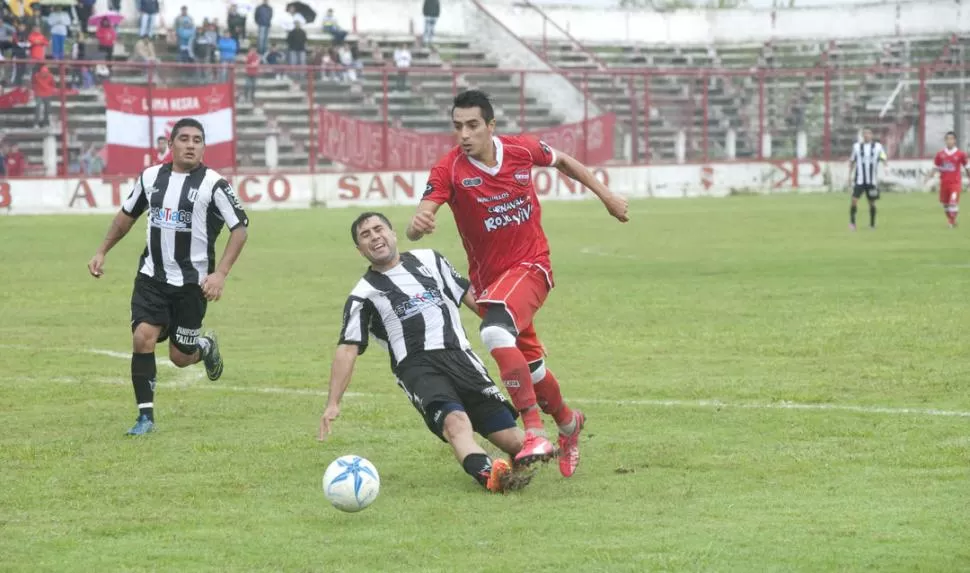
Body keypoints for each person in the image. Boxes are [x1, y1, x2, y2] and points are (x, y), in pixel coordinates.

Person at [407, 90, 629, 477]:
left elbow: (564, 161)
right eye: (457, 126)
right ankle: (567, 423)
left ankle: (533, 431)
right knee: (533, 368)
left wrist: (606, 196)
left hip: (532, 267)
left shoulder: (521, 150)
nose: (464, 134)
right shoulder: (449, 170)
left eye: (473, 125)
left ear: (491, 126)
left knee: (493, 333)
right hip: (494, 286)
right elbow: (423, 213)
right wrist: (417, 224)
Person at [319, 212, 533, 493]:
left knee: (516, 442)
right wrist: (333, 402)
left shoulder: (431, 260)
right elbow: (347, 348)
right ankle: (490, 476)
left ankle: (530, 455)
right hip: (418, 368)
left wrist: (513, 336)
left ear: (392, 233)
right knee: (456, 423)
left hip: (463, 359)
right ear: (360, 250)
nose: (374, 237)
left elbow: (474, 300)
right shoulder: (363, 295)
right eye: (365, 235)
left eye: (378, 229)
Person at [86, 118, 250, 436]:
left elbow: (240, 228)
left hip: (193, 285)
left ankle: (204, 347)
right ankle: (145, 417)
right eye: (184, 138)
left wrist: (221, 274)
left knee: (180, 357)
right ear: (171, 143)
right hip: (152, 278)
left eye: (197, 140)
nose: (191, 144)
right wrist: (102, 250)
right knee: (142, 338)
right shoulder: (150, 178)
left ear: (203, 147)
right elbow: (126, 217)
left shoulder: (214, 184)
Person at [925, 131, 970, 228]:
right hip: (944, 183)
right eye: (947, 139)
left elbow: (967, 167)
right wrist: (929, 177)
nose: (949, 141)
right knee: (946, 205)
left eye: (951, 139)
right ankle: (952, 221)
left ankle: (950, 222)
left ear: (955, 141)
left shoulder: (960, 154)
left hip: (955, 183)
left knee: (953, 202)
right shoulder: (940, 154)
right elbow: (935, 167)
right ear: (945, 141)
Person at [848, 127, 887, 231]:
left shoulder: (878, 146)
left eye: (868, 133)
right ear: (862, 135)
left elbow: (883, 157)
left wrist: (886, 166)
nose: (866, 135)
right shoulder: (856, 147)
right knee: (854, 200)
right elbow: (852, 161)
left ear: (872, 135)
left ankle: (872, 225)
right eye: (865, 134)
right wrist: (849, 176)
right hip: (859, 180)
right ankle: (852, 223)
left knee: (872, 203)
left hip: (872, 181)